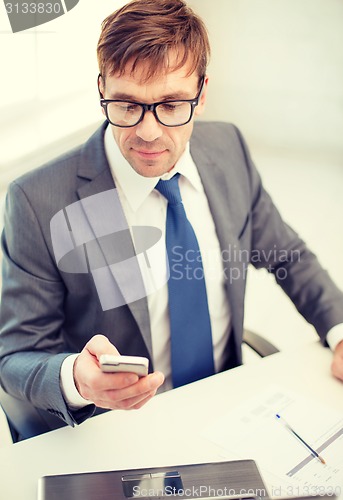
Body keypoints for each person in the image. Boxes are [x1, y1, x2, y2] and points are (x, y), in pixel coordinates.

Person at [1, 0, 343, 432]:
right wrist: (75, 379)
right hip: (118, 430)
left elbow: (288, 255)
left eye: (171, 104)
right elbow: (17, 353)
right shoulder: (37, 200)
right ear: (101, 87)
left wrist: (339, 328)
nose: (147, 132)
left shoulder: (228, 149)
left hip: (229, 408)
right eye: (126, 104)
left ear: (202, 94)